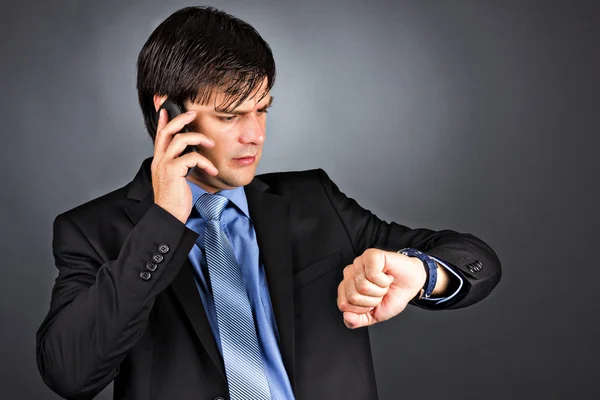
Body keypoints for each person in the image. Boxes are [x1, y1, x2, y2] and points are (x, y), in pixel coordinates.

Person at [36, 6, 501, 400]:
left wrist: (423, 272)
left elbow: (476, 261)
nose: (255, 135)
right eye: (230, 115)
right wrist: (163, 222)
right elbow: (69, 374)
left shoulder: (315, 200)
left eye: (262, 109)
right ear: (169, 114)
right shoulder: (91, 230)